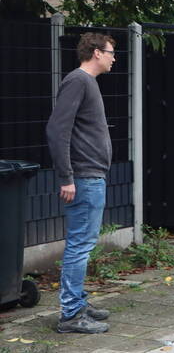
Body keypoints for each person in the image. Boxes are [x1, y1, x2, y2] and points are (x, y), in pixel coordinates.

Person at [47, 33, 117, 334]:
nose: (115, 58)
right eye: (111, 52)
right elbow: (56, 129)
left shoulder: (87, 83)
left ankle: (78, 302)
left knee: (83, 244)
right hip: (83, 177)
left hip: (91, 176)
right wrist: (67, 177)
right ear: (97, 53)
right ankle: (71, 314)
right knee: (80, 245)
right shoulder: (78, 81)